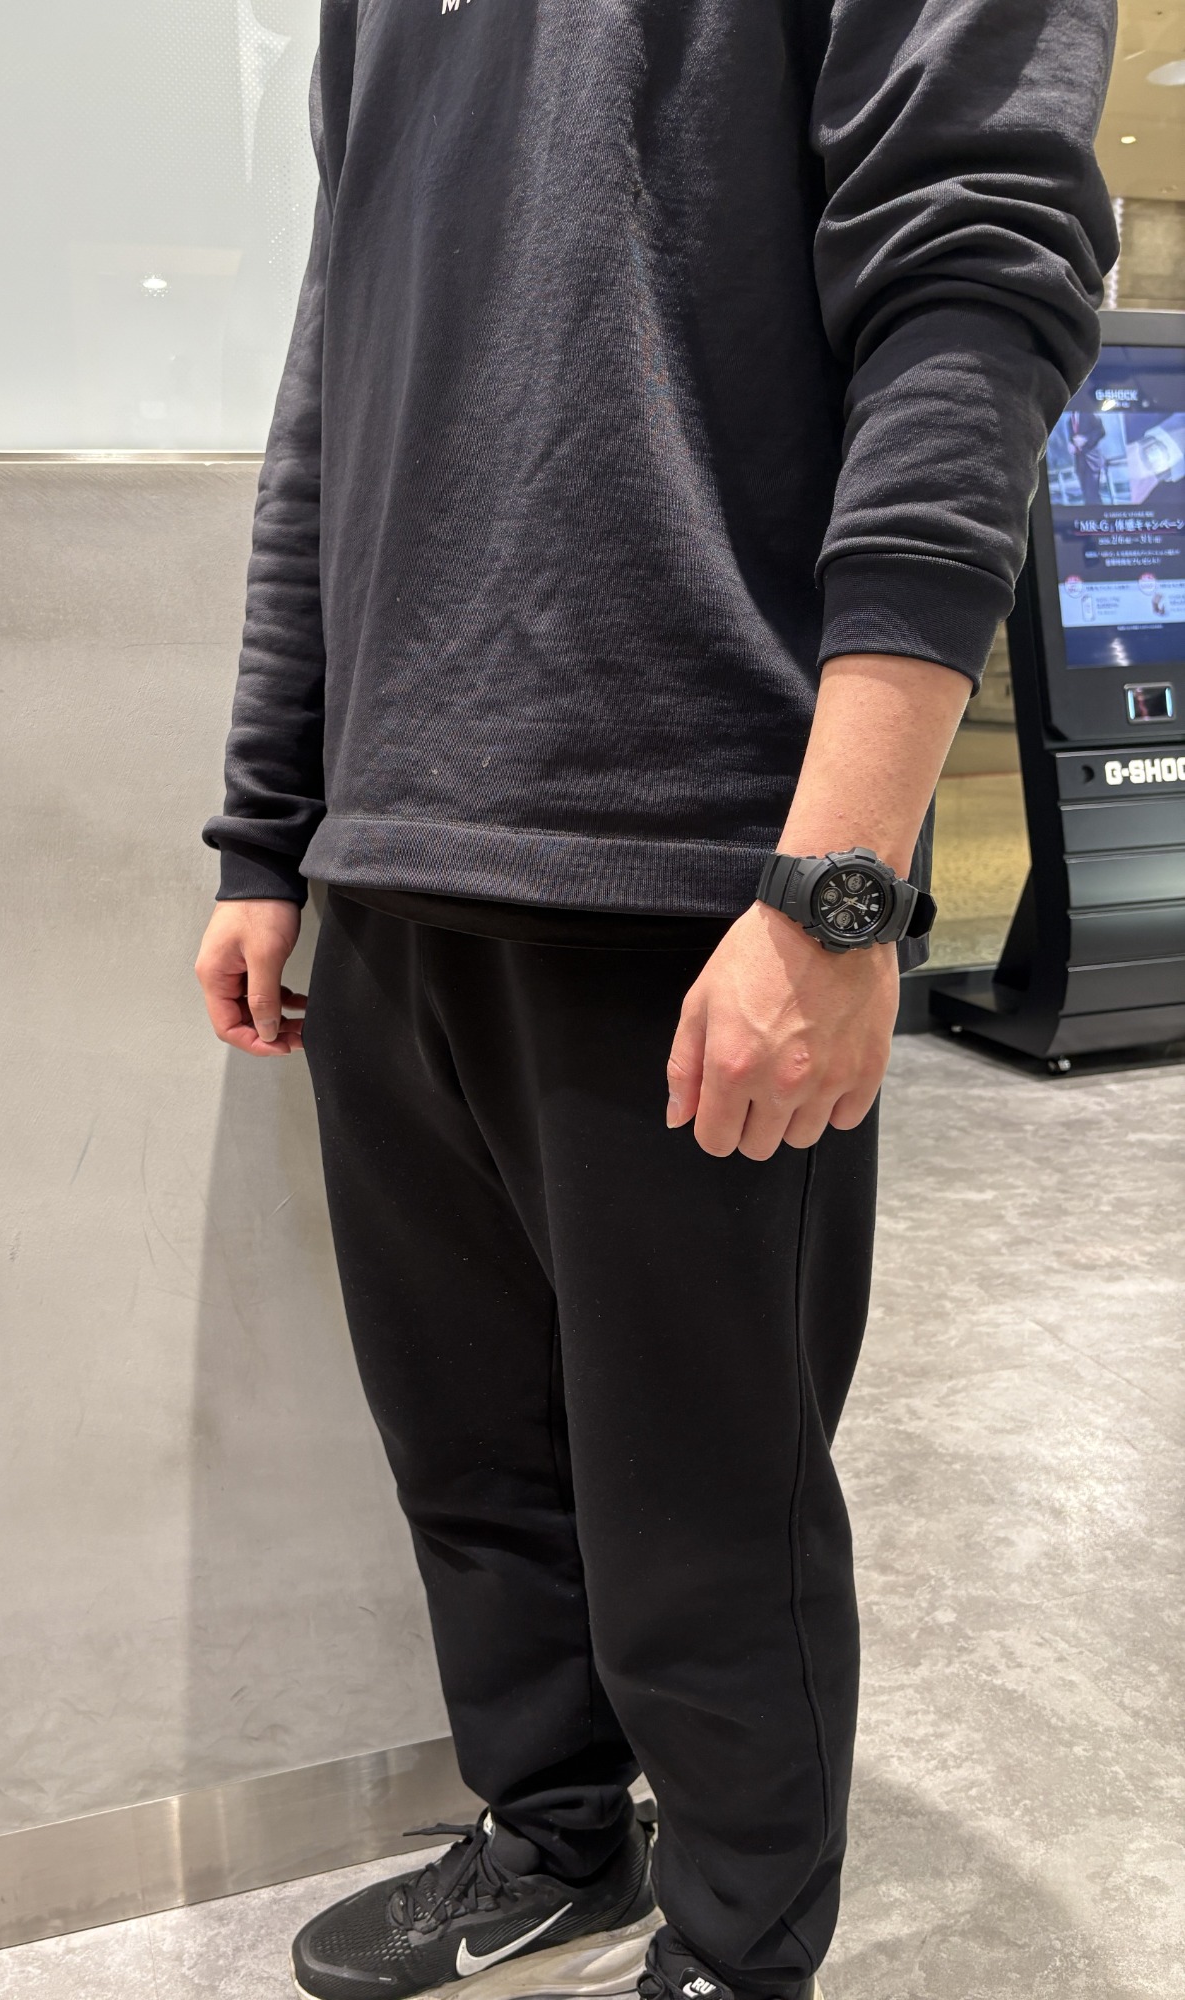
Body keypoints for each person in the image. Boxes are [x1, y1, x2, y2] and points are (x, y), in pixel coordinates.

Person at [196, 0, 1116, 1994]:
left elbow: (970, 282)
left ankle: (736, 1943)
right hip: (392, 851)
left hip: (697, 863)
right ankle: (554, 1836)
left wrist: (838, 892)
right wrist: (268, 824)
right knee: (471, 1466)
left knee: (708, 1512)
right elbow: (335, 376)